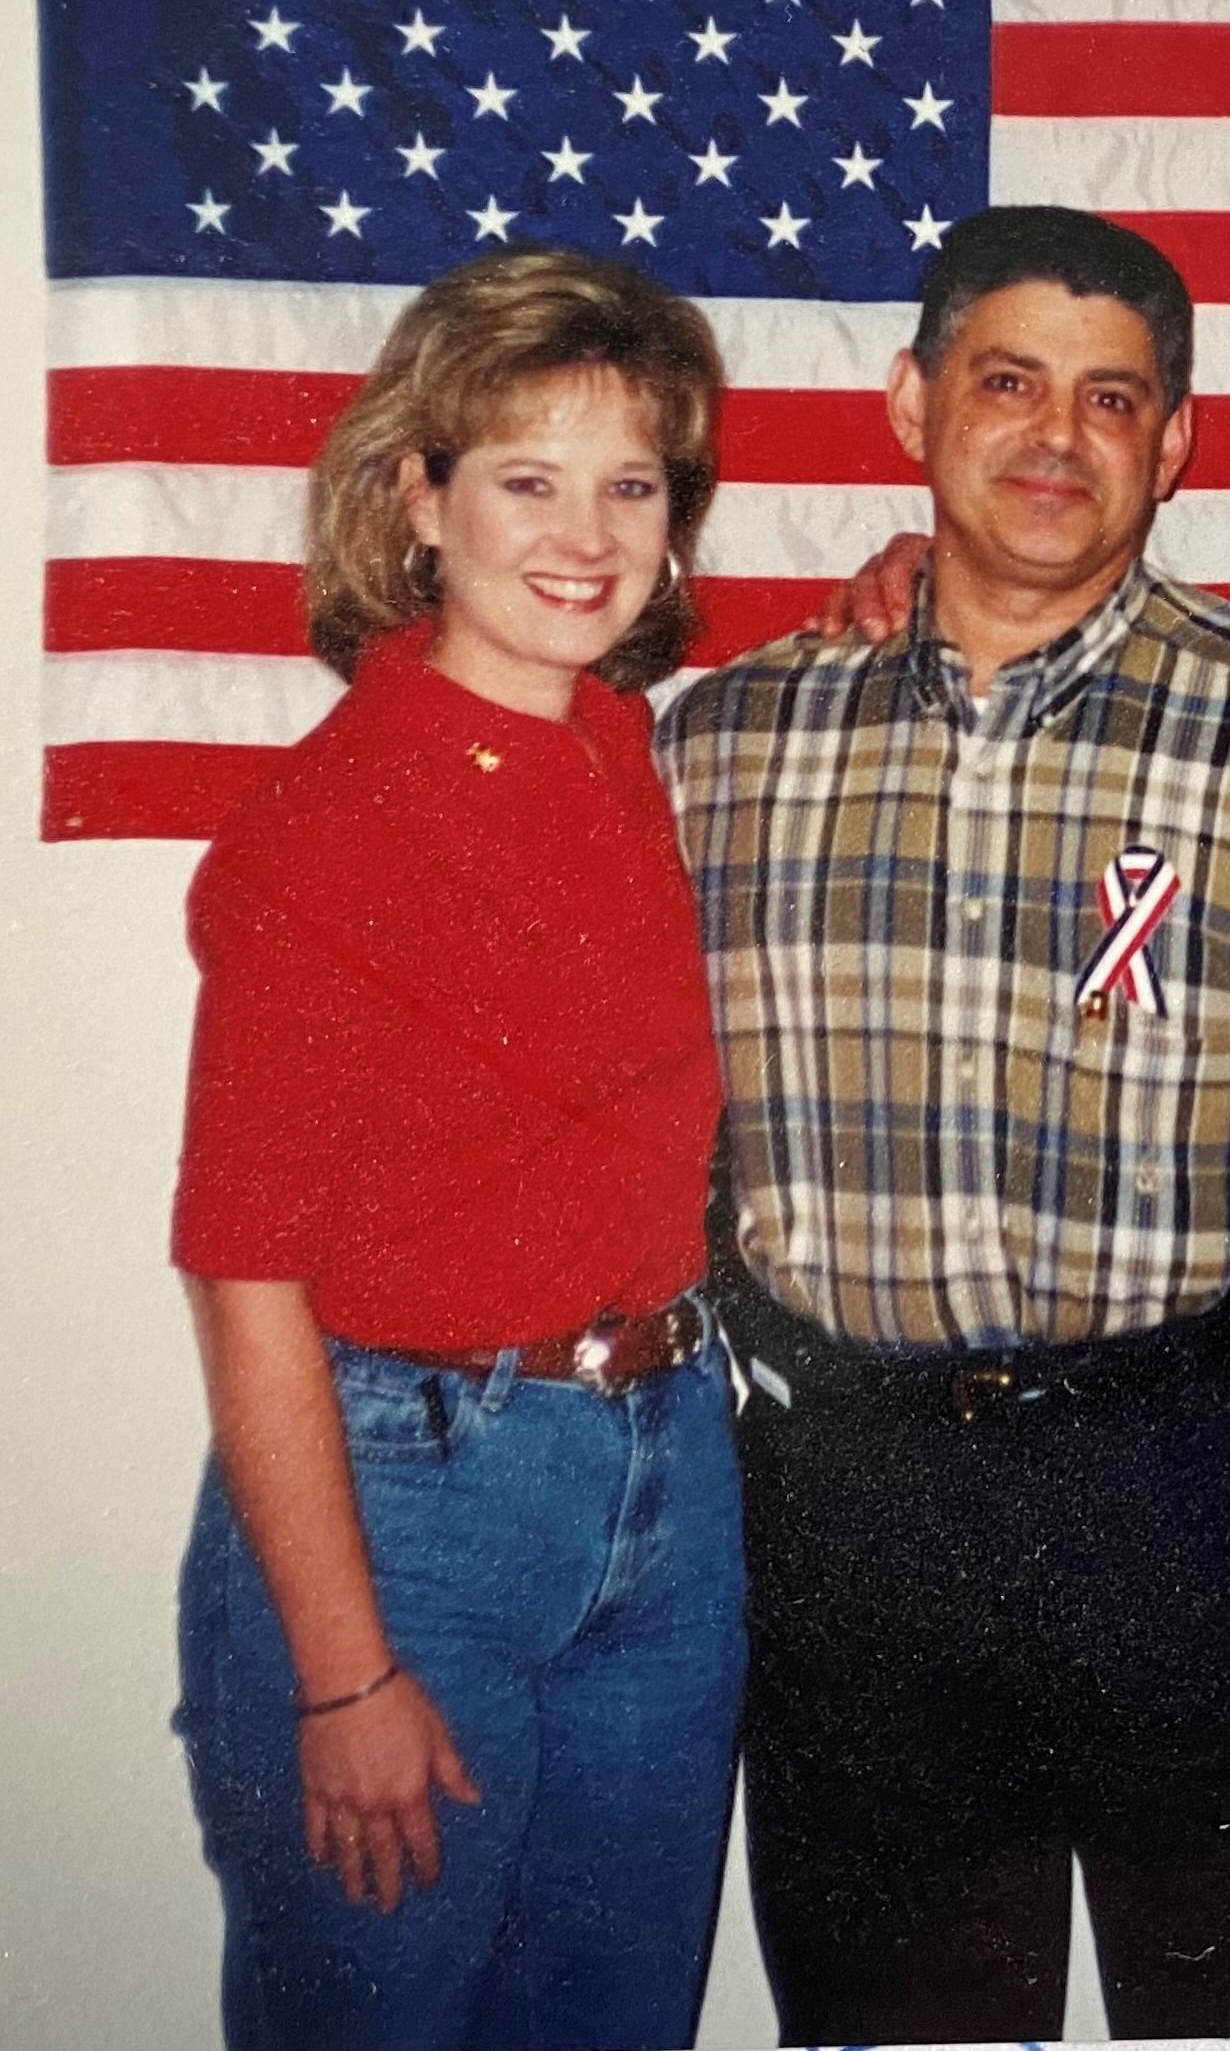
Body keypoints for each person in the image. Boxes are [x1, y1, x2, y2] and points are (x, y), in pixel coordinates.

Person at [659, 204, 1230, 2045]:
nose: (1053, 437)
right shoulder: (726, 747)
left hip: (1216, 1499)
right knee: (887, 2022)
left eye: (1113, 399)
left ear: (1172, 446)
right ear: (909, 404)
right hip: (852, 1518)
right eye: (1004, 382)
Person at [170, 250, 747, 2051]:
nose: (583, 535)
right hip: (412, 1507)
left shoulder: (635, 755)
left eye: (629, 485)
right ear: (418, 502)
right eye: (525, 479)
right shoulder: (322, 833)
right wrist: (344, 1672)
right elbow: (241, 1274)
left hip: (673, 1479)